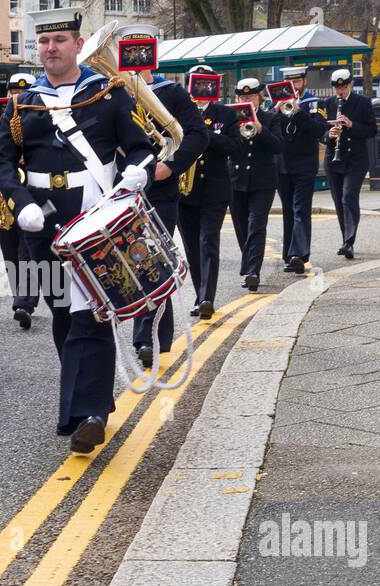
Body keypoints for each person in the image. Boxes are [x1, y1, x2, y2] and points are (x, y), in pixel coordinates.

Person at [0, 7, 155, 453]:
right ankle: (95, 398)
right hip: (40, 220)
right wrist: (20, 202)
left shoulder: (107, 94)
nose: (50, 49)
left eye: (59, 40)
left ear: (78, 45)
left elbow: (141, 147)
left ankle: (87, 416)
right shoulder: (23, 102)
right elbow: (0, 160)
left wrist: (137, 173)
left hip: (93, 215)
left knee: (90, 313)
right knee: (64, 315)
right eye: (43, 42)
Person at [113, 25, 208, 367]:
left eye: (141, 52)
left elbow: (198, 135)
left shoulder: (172, 93)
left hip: (162, 190)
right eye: (128, 51)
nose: (135, 60)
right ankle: (153, 335)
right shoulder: (113, 92)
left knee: (152, 259)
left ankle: (145, 338)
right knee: (135, 264)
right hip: (122, 190)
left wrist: (172, 165)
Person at [178, 66, 235, 319]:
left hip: (214, 188)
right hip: (185, 191)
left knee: (207, 241)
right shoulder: (180, 112)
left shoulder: (225, 113)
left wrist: (205, 134)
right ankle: (200, 294)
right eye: (197, 83)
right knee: (191, 246)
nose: (202, 89)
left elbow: (234, 147)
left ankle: (207, 297)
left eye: (207, 84)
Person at [0, 72, 40, 329]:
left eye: (23, 92)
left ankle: (24, 302)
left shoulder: (42, 117)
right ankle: (22, 295)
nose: (17, 97)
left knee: (27, 248)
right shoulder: (0, 121)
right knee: (10, 250)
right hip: (4, 195)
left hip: (32, 192)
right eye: (13, 92)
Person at [227, 78, 285, 292]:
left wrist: (261, 130)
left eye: (250, 96)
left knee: (256, 225)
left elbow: (278, 146)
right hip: (236, 180)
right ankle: (249, 262)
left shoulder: (270, 118)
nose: (247, 99)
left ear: (260, 96)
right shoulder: (230, 118)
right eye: (243, 96)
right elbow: (227, 148)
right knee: (241, 226)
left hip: (263, 181)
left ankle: (253, 271)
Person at [276, 66, 327, 270]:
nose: (293, 87)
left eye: (296, 83)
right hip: (283, 165)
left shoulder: (314, 104)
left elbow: (319, 130)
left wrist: (298, 113)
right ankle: (289, 255)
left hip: (304, 164)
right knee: (288, 211)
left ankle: (300, 254)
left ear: (304, 81)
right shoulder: (276, 104)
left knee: (300, 209)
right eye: (289, 84)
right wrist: (278, 112)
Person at [323, 68, 377, 259]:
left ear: (350, 85)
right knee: (339, 202)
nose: (340, 92)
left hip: (356, 159)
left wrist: (352, 125)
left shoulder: (362, 102)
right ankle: (345, 238)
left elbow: (372, 130)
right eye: (337, 88)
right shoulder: (328, 103)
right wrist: (329, 135)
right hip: (333, 160)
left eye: (343, 87)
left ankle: (349, 241)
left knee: (348, 197)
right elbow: (322, 131)